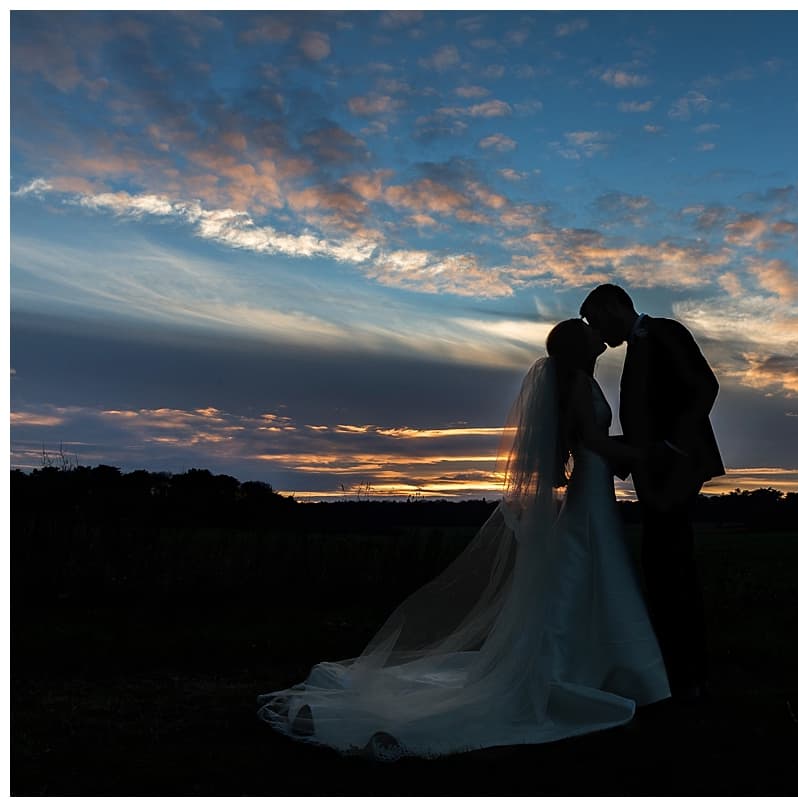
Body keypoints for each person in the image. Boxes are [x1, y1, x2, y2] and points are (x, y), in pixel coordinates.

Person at [256, 318, 671, 761]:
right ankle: (570, 674)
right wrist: (649, 453)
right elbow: (592, 442)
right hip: (590, 497)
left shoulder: (577, 383)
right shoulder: (576, 386)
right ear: (579, 346)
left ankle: (593, 669)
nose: (595, 331)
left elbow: (591, 444)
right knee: (580, 580)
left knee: (582, 583)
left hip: (594, 494)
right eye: (587, 329)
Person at [579, 284, 725, 703]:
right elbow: (649, 418)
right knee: (663, 564)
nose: (595, 329)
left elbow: (704, 387)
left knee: (671, 565)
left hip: (677, 467)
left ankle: (688, 675)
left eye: (595, 318)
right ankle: (678, 668)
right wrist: (620, 451)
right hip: (656, 468)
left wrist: (673, 447)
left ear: (613, 306)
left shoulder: (664, 332)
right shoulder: (638, 346)